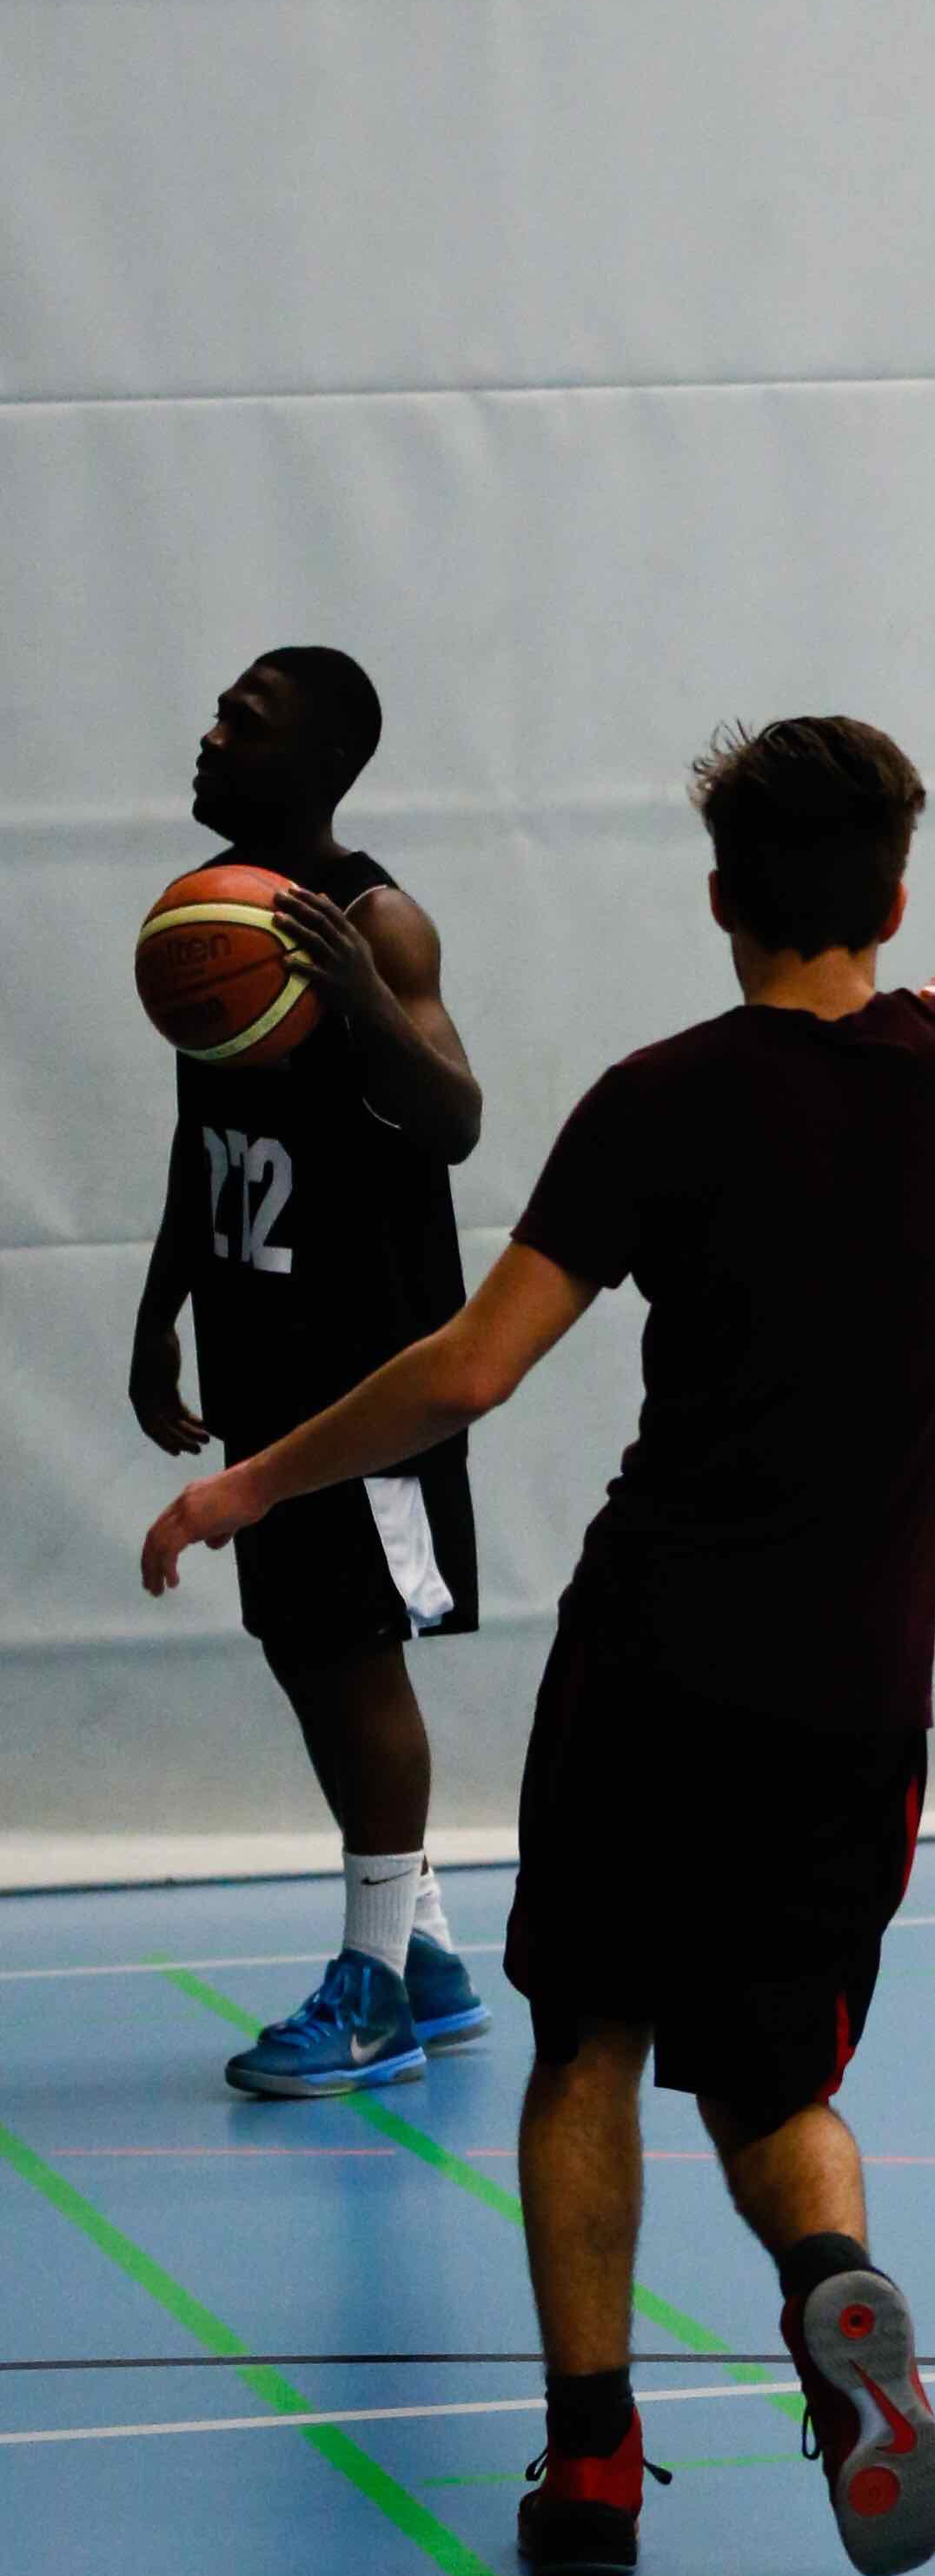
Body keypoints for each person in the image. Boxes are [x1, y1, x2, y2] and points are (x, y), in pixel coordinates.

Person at [145, 712, 935, 2576]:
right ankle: (832, 2282)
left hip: (652, 1657)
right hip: (854, 1686)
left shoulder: (660, 1101)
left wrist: (252, 1482)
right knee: (778, 2084)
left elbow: (470, 1369)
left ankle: (593, 2471)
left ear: (721, 901)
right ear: (896, 899)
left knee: (589, 2048)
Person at [130, 648, 491, 2097]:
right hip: (257, 1343)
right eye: (219, 709)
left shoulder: (377, 921)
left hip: (367, 1367)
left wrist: (360, 998)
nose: (213, 734)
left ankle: (377, 1994)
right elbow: (200, 1134)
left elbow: (455, 1120)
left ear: (324, 759)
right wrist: (161, 1305)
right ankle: (431, 1956)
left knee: (353, 1657)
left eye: (247, 720)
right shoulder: (208, 914)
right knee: (306, 1648)